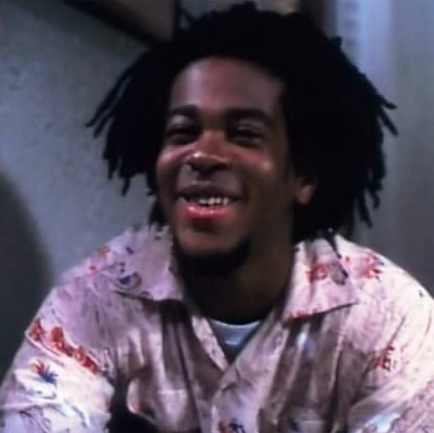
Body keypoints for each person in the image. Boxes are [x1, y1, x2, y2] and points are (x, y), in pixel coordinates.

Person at [1, 3, 433, 432]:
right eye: (183, 132)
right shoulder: (94, 300)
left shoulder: (388, 319)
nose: (202, 155)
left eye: (244, 134)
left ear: (302, 176)